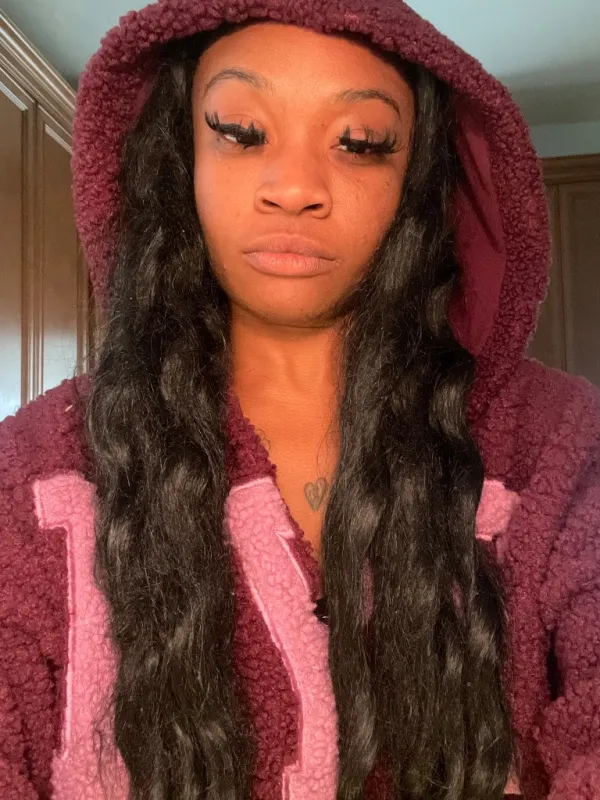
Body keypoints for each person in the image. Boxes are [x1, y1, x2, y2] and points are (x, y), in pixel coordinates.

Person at [0, 1, 599, 798]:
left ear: (417, 181)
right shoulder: (34, 470)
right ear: (180, 157)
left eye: (360, 143)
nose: (294, 187)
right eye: (242, 132)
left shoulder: (560, 440)